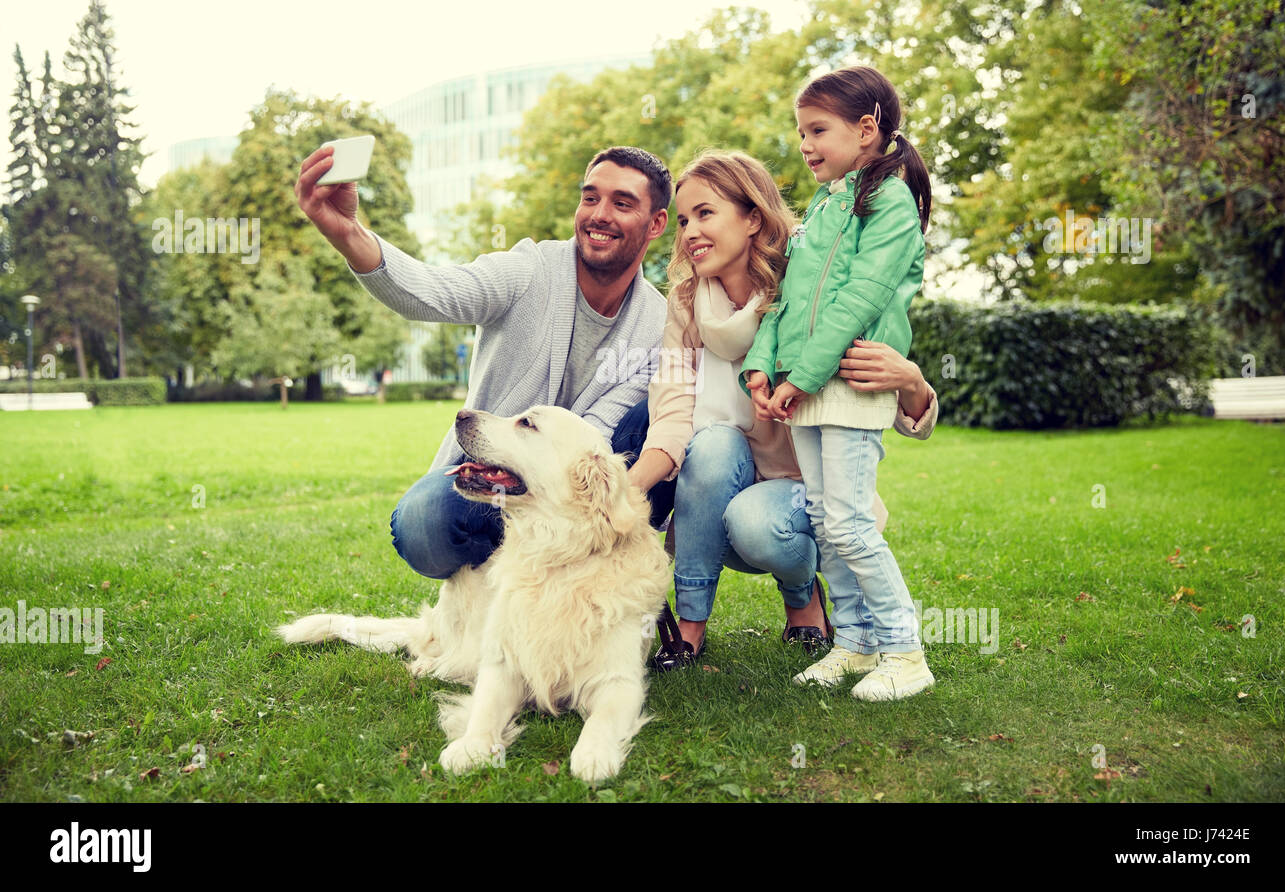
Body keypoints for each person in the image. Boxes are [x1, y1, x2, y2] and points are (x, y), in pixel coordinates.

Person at [294, 143, 676, 588]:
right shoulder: (530, 269)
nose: (599, 214)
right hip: (487, 481)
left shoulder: (656, 323)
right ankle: (508, 591)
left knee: (664, 415)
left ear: (656, 224)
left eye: (622, 203)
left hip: (569, 494)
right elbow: (433, 291)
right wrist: (349, 234)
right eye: (590, 197)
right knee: (422, 523)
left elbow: (596, 431)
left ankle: (596, 581)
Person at [631, 150, 937, 670]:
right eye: (683, 220)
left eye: (706, 213)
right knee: (710, 442)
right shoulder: (686, 302)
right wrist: (626, 491)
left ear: (753, 217)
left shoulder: (806, 283)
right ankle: (688, 629)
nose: (689, 232)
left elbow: (866, 390)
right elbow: (672, 406)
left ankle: (805, 601)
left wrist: (911, 381)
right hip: (717, 489)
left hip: (801, 497)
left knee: (756, 522)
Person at [743, 65, 936, 700]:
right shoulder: (822, 207)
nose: (804, 144)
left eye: (817, 129)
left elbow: (859, 300)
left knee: (851, 524)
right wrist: (762, 367)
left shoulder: (888, 201)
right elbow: (783, 302)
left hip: (850, 380)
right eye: (800, 131)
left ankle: (905, 653)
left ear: (866, 129)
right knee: (827, 524)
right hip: (808, 384)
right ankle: (854, 642)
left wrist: (802, 376)